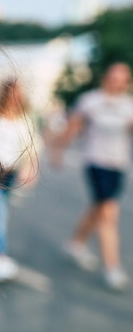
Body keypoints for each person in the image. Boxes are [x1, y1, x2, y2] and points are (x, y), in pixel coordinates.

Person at [53, 62, 132, 291]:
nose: (117, 82)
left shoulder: (129, 105)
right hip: (96, 163)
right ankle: (112, 268)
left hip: (118, 166)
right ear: (106, 78)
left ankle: (75, 244)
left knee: (97, 209)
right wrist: (58, 151)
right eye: (114, 77)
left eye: (122, 79)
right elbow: (73, 128)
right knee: (108, 213)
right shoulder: (90, 101)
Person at [0, 79, 41, 282]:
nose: (15, 98)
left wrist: (31, 168)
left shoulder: (26, 119)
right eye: (12, 93)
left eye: (18, 94)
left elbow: (33, 146)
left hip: (12, 172)